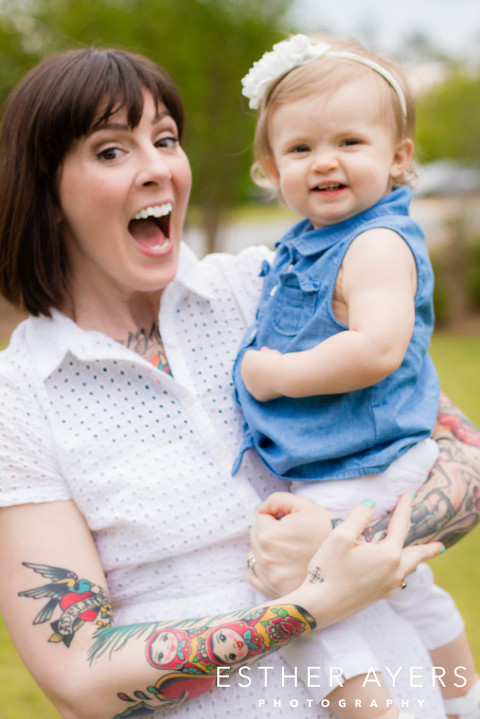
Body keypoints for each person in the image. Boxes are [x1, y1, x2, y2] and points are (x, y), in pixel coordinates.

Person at [0, 47, 477, 719]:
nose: (158, 167)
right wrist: (307, 605)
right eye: (112, 151)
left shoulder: (270, 286)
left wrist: (351, 544)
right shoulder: (21, 397)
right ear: (47, 192)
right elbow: (77, 674)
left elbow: (464, 459)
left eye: (165, 139)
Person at [233, 33, 480, 719]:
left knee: (301, 599)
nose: (325, 162)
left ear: (399, 158)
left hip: (370, 459)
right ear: (270, 167)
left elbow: (377, 348)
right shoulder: (306, 244)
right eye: (301, 148)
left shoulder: (373, 244)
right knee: (410, 587)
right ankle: (465, 697)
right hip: (355, 459)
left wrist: (278, 375)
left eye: (349, 141)